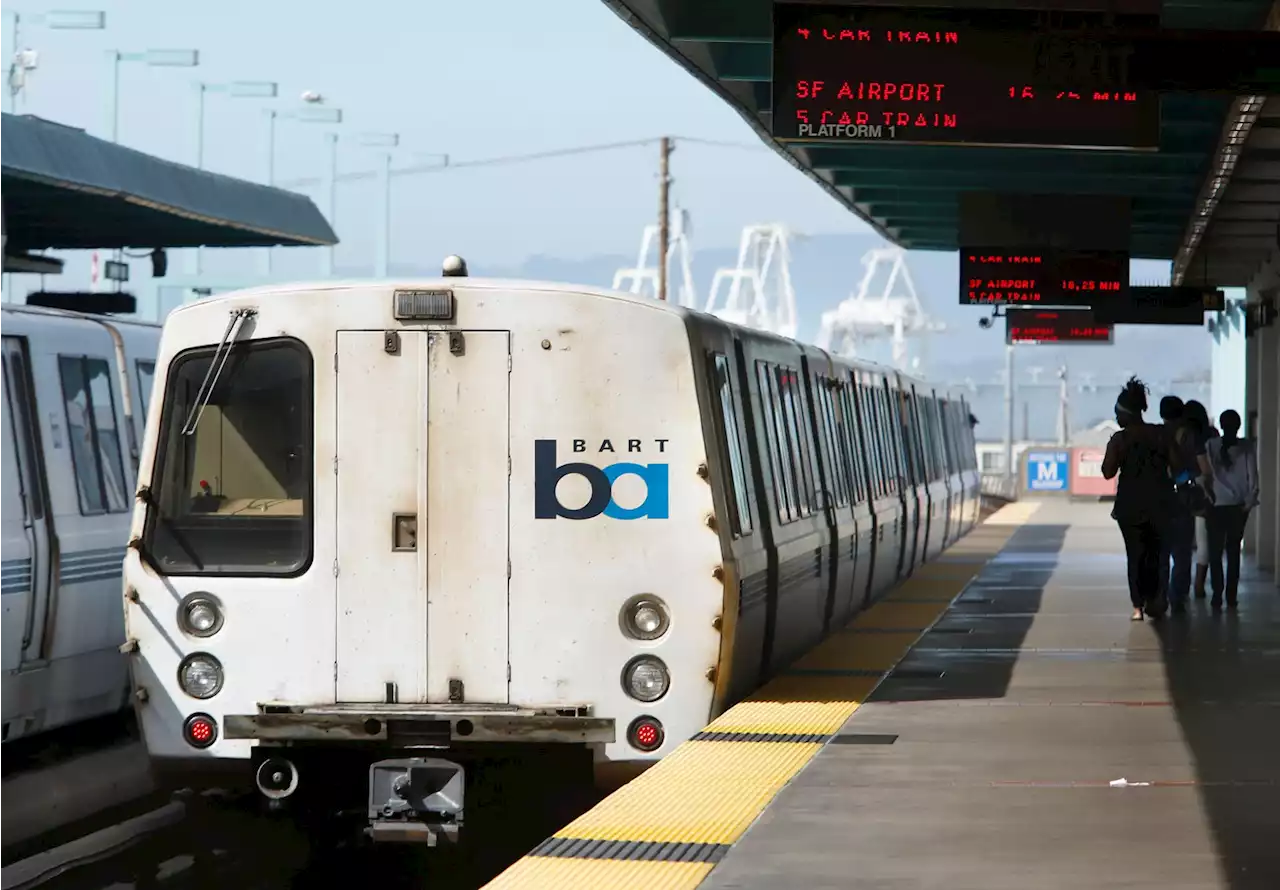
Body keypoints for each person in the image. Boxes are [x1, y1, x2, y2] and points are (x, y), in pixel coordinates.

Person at [1102, 378, 1179, 621]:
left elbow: (1107, 472)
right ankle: (1157, 599)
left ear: (1126, 414)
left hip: (1130, 507)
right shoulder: (1161, 435)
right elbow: (1177, 467)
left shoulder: (1119, 440)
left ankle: (1138, 606)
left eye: (1117, 413)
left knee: (1135, 555)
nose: (1116, 418)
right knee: (1158, 553)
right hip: (1161, 503)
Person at [1205, 410, 1257, 611]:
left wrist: (1209, 497)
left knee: (1215, 553)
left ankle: (1217, 595)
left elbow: (1205, 476)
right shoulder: (1246, 447)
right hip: (1238, 508)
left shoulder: (1211, 446)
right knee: (1233, 552)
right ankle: (1232, 597)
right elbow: (1253, 478)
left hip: (1216, 506)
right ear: (1238, 425)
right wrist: (1248, 503)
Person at [1157, 396, 1196, 614]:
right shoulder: (1187, 435)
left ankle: (1159, 596)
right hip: (1181, 499)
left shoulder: (1156, 435)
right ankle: (1177, 596)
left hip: (1159, 500)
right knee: (1182, 554)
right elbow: (1190, 467)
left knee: (1161, 553)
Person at [1183, 400, 1219, 599]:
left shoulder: (1186, 437)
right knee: (1204, 540)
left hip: (1187, 487)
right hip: (1208, 489)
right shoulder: (1212, 434)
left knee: (1184, 542)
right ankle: (1199, 585)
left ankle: (1182, 582)